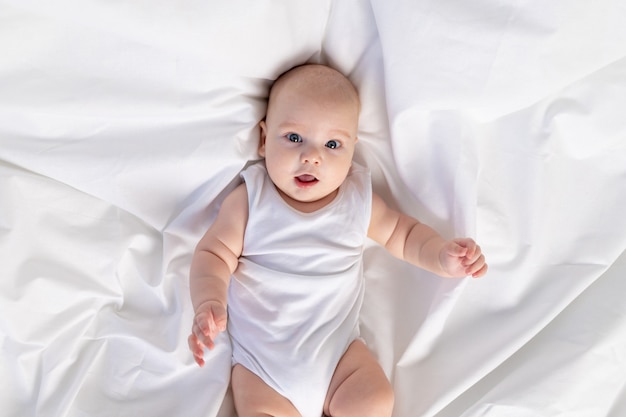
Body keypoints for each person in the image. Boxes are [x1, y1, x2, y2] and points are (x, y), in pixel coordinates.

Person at [188, 64, 487, 417]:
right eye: (295, 138)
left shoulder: (357, 201)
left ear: (351, 150)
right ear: (265, 139)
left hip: (338, 357)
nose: (311, 156)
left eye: (332, 144)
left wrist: (440, 255)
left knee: (374, 400)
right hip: (264, 367)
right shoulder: (251, 200)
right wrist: (209, 301)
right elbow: (213, 255)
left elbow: (402, 234)